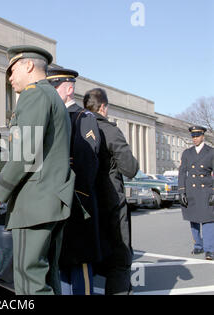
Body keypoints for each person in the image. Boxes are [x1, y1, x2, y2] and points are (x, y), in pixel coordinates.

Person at [0, 45, 75, 295]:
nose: (9, 78)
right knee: (45, 279)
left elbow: (25, 153)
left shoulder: (34, 95)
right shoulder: (50, 97)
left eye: (11, 70)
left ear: (28, 66)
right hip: (49, 203)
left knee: (30, 284)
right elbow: (34, 150)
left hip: (34, 205)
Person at [47, 66, 102, 295]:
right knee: (60, 265)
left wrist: (70, 195)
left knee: (78, 264)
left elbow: (87, 165)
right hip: (55, 203)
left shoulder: (83, 118)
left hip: (77, 205)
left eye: (54, 88)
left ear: (69, 89)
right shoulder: (52, 117)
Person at [83, 88, 139, 295]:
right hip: (110, 203)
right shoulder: (110, 130)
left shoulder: (75, 128)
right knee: (119, 259)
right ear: (104, 107)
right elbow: (130, 168)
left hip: (83, 204)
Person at [178, 126, 214, 261]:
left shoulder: (211, 152)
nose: (195, 139)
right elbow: (182, 173)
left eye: (197, 136)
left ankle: (210, 249)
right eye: (193, 136)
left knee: (208, 220)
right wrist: (182, 191)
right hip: (191, 190)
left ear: (203, 136)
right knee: (193, 219)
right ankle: (198, 245)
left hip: (206, 190)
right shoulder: (187, 153)